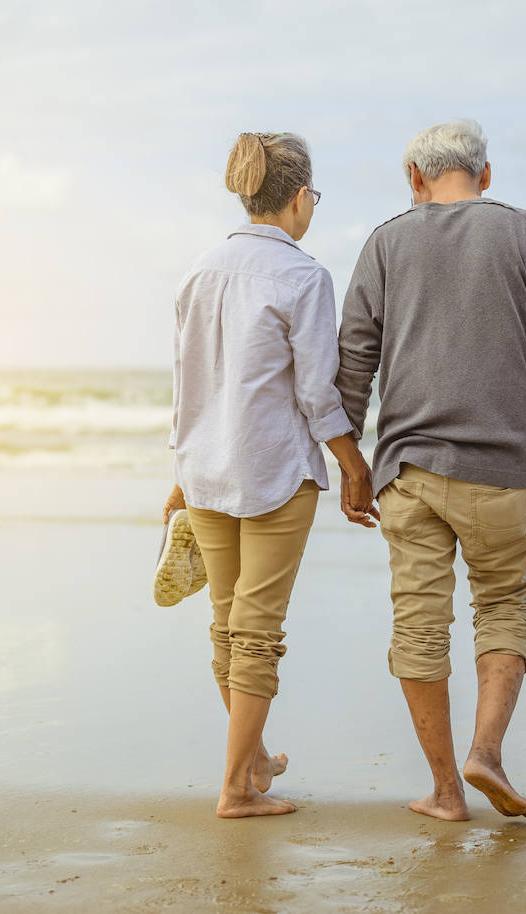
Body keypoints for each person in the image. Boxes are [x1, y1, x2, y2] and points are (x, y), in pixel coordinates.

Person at [335, 119, 526, 821]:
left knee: (420, 628)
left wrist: (351, 464)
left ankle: (446, 792)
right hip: (502, 473)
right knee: (503, 607)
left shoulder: (387, 241)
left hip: (409, 471)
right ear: (486, 176)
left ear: (415, 180)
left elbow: (354, 362)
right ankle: (485, 752)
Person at [164, 131, 377, 818]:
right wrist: (351, 465)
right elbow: (318, 392)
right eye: (312, 195)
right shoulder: (303, 276)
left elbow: (186, 384)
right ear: (296, 198)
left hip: (205, 472)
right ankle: (234, 790)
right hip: (275, 472)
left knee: (227, 626)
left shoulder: (199, 270)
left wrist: (178, 471)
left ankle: (250, 762)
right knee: (256, 631)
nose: (311, 206)